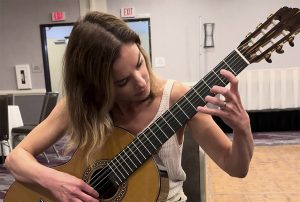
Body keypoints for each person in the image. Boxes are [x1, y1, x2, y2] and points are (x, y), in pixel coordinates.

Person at [5, 11, 254, 202]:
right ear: (95, 86)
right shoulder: (80, 104)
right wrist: (55, 181)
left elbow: (236, 167)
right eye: (122, 81)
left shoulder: (178, 99)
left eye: (139, 63)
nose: (141, 81)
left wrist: (242, 128)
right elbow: (16, 158)